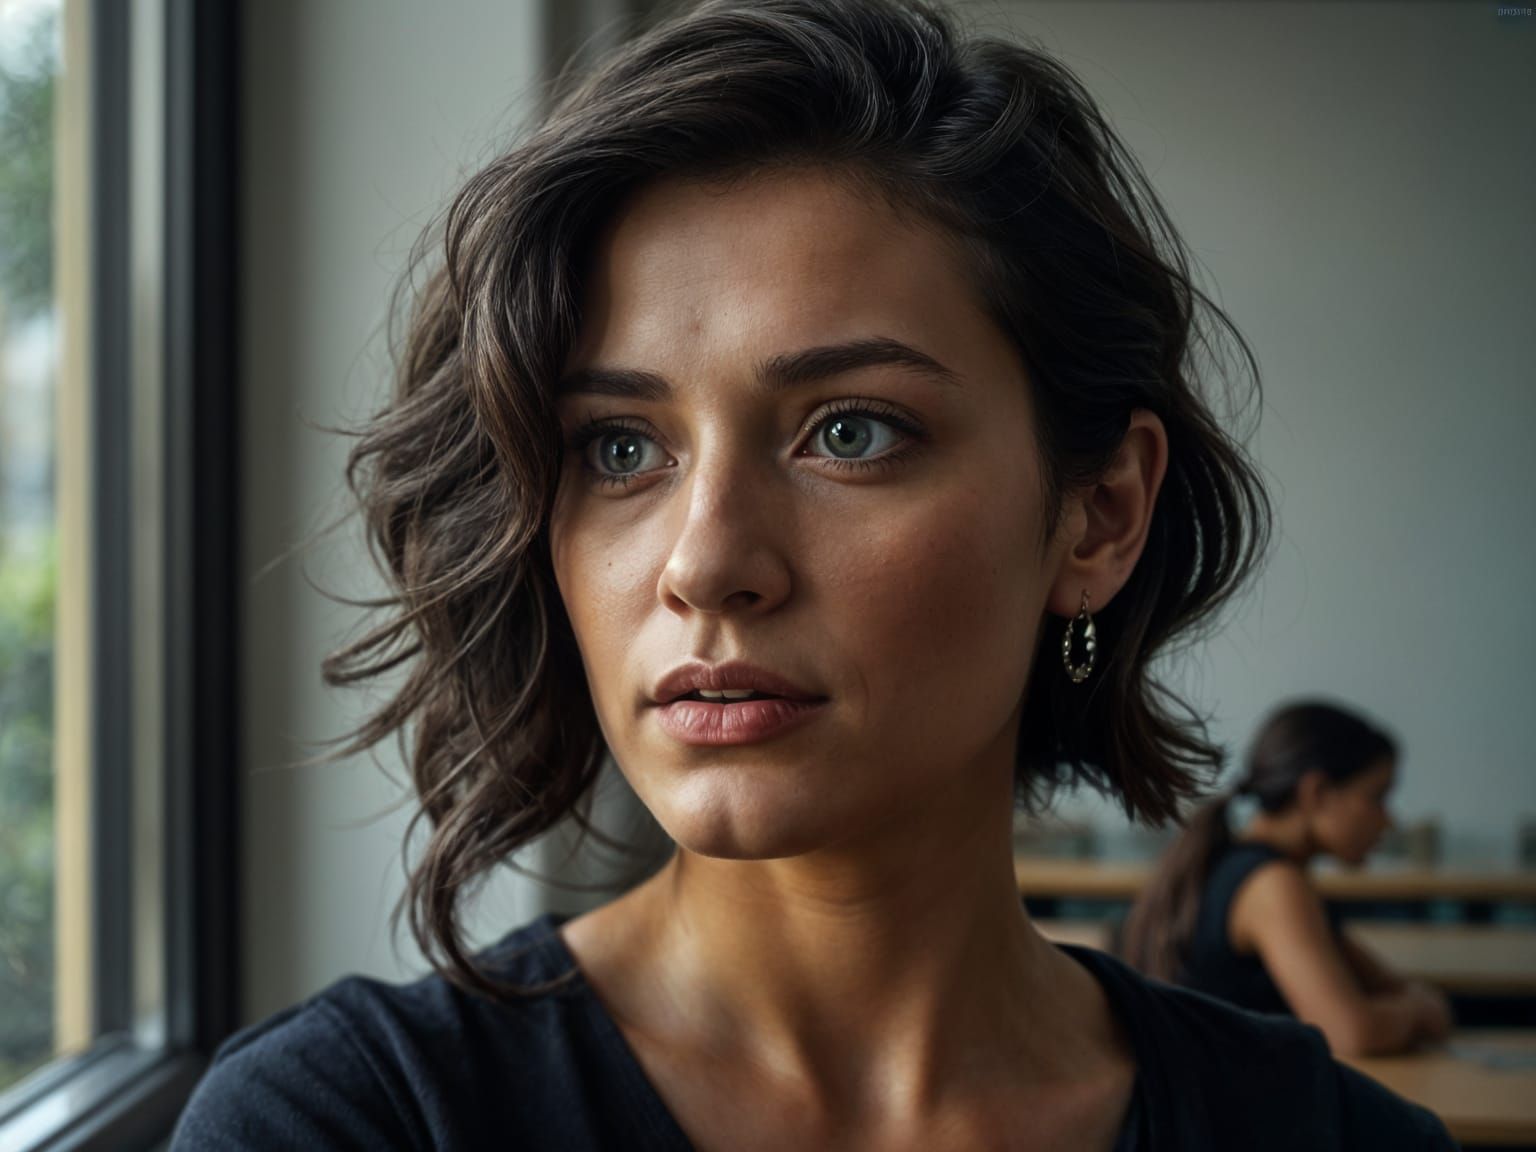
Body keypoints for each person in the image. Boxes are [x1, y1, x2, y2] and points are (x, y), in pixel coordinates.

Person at [171, 0, 1457, 1148]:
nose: (706, 563)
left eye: (851, 430)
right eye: (620, 448)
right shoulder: (344, 1123)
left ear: (1098, 516)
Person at [1119, 699, 1456, 1058]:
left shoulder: (1256, 869)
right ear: (1317, 793)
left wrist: (1407, 1006)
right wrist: (1416, 1011)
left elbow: (1382, 984)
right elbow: (1351, 1034)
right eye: (1377, 797)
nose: (1388, 821)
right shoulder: (1272, 885)